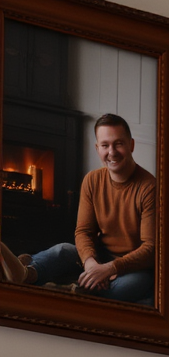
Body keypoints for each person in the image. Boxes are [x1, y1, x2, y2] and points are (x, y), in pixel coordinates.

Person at [0, 114, 155, 305]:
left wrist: (109, 269)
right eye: (105, 145)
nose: (112, 152)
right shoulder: (92, 180)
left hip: (133, 268)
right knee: (63, 250)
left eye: (119, 144)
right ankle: (26, 274)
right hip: (99, 256)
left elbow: (150, 248)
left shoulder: (149, 187)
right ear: (98, 149)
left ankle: (71, 290)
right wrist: (91, 264)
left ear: (131, 145)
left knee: (133, 285)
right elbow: (83, 231)